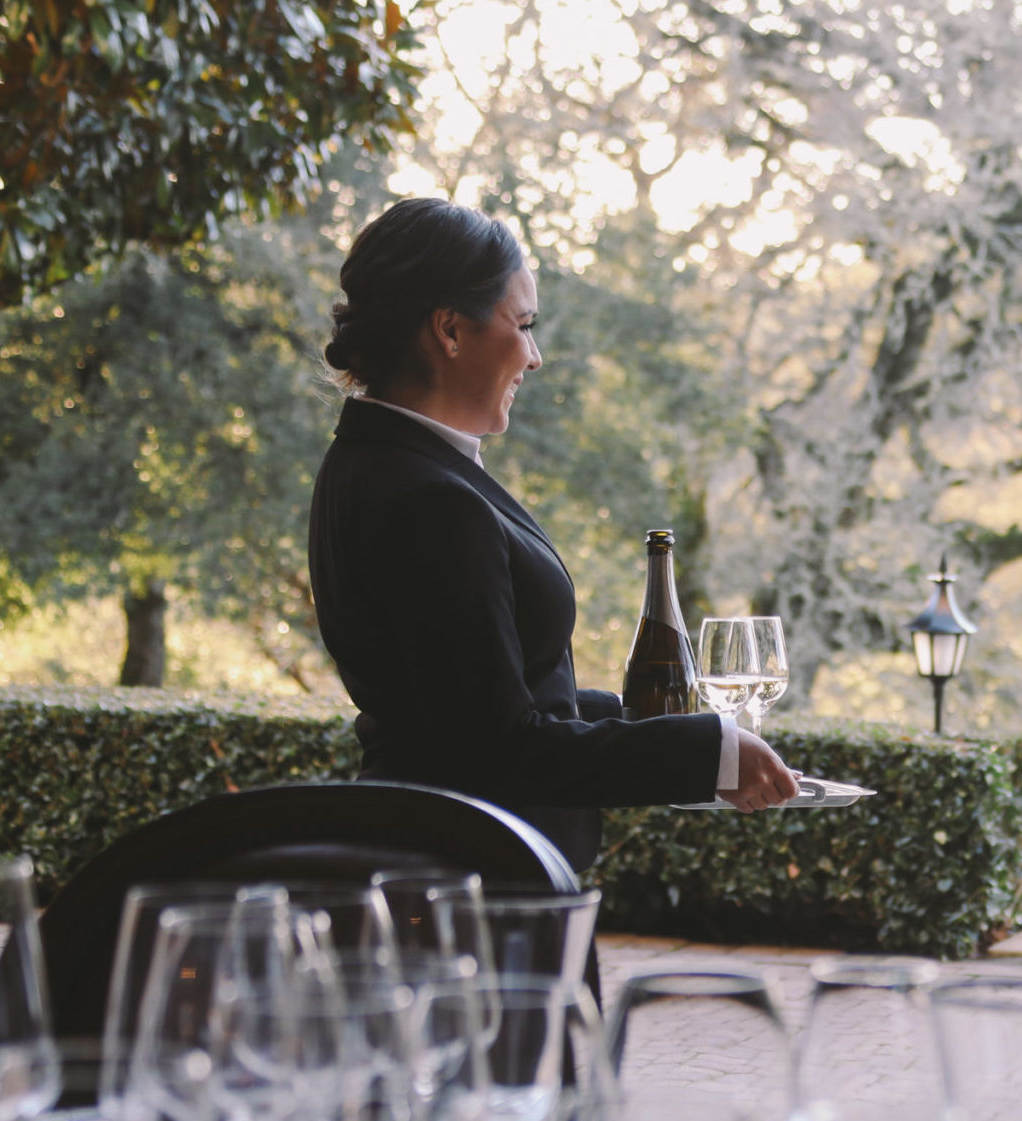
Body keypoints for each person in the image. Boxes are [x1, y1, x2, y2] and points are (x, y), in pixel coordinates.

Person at [307, 197, 798, 866]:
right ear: (449, 330)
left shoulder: (370, 463)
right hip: (483, 880)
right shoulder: (431, 499)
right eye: (524, 323)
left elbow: (476, 710)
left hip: (443, 858)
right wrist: (706, 752)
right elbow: (505, 748)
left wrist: (667, 724)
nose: (535, 357)